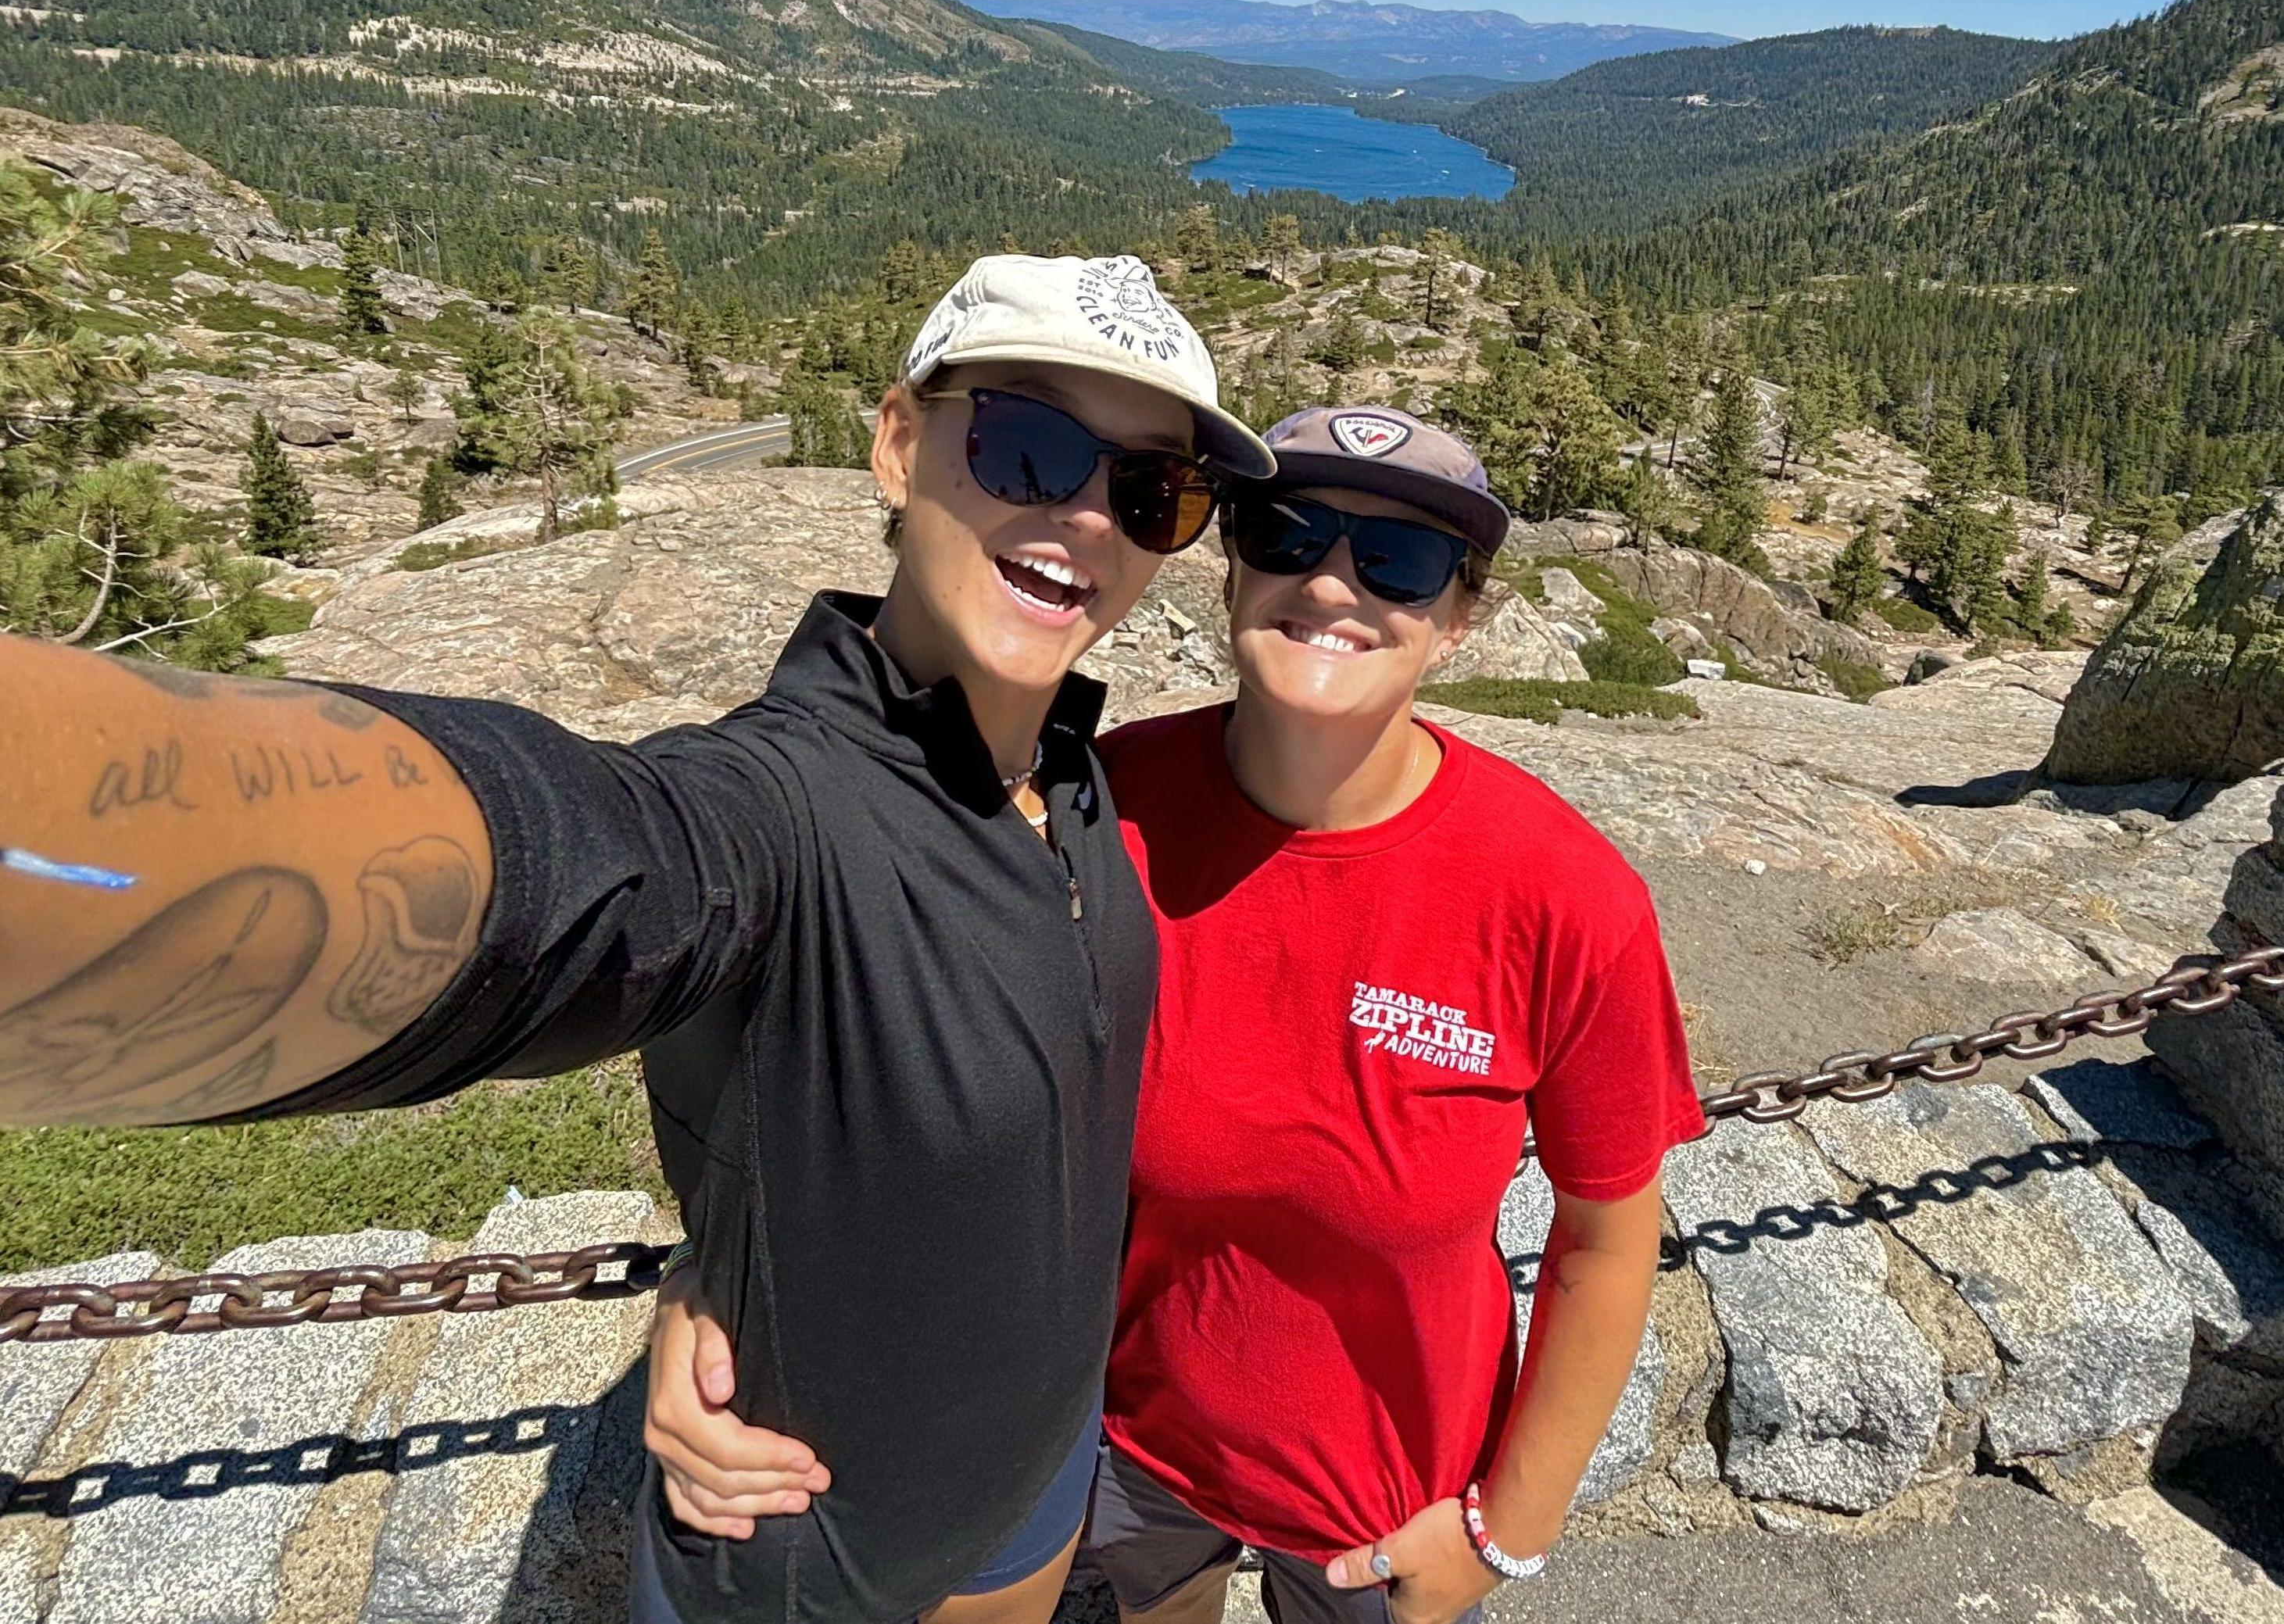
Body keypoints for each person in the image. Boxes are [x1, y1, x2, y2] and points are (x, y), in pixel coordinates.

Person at [0, 252, 1273, 1624]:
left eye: (1153, 491)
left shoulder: (1080, 782)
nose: (1087, 517)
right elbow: (583, 861)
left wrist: (715, 1258)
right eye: (1029, 444)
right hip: (819, 1555)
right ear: (900, 443)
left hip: (1025, 1500)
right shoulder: (773, 813)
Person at [645, 405, 1706, 1624]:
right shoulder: (1097, 814)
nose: (1331, 583)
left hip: (1394, 1501)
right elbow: (903, 1094)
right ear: (1231, 563)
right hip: (1126, 1459)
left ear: (1460, 616)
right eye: (1288, 532)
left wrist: (1503, 1531)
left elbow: (1605, 1241)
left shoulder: (1561, 895)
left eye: (1398, 560)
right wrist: (714, 1281)